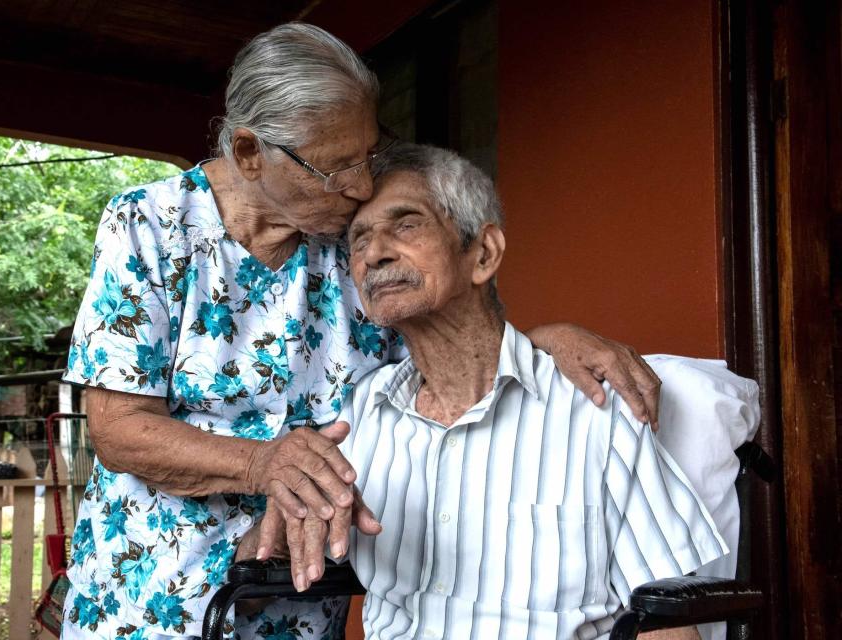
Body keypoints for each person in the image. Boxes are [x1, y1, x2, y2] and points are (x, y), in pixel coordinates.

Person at [61, 23, 663, 640]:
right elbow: (119, 429)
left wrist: (542, 341)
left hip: (301, 593)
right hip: (153, 593)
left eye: (368, 155)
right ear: (248, 154)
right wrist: (263, 464)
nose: (362, 186)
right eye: (335, 168)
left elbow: (449, 339)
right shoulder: (152, 225)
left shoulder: (349, 241)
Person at [261, 143, 727, 639]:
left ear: (482, 254)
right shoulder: (363, 413)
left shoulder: (592, 408)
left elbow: (667, 620)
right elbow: (284, 545)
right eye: (359, 240)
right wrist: (284, 518)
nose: (374, 254)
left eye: (406, 224)